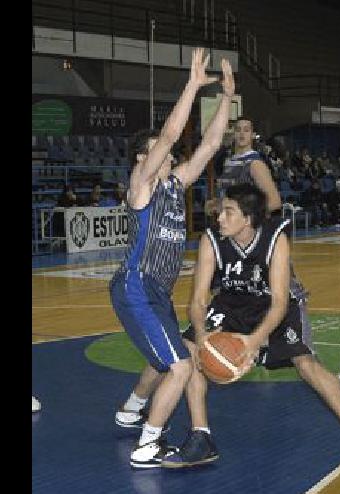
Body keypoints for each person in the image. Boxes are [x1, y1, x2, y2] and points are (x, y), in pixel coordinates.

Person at [161, 183, 340, 469]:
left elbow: (279, 302)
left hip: (276, 303)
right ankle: (201, 437)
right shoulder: (211, 239)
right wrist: (203, 336)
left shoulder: (276, 238)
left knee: (306, 363)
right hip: (231, 302)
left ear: (248, 218)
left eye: (228, 212)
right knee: (190, 348)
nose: (220, 218)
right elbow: (199, 300)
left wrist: (252, 342)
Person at [107, 48, 236, 469]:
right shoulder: (141, 185)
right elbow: (168, 136)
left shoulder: (174, 186)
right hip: (137, 287)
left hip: (157, 292)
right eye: (153, 151)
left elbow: (213, 143)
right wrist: (192, 86)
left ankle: (130, 411)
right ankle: (148, 443)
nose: (164, 155)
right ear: (143, 159)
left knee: (171, 357)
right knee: (180, 368)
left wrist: (225, 101)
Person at [205, 116, 282, 217]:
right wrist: (218, 204)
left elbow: (275, 202)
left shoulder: (255, 164)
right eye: (238, 130)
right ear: (233, 134)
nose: (242, 133)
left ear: (253, 135)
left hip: (246, 228)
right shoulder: (228, 161)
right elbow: (232, 198)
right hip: (228, 225)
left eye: (246, 130)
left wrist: (247, 218)